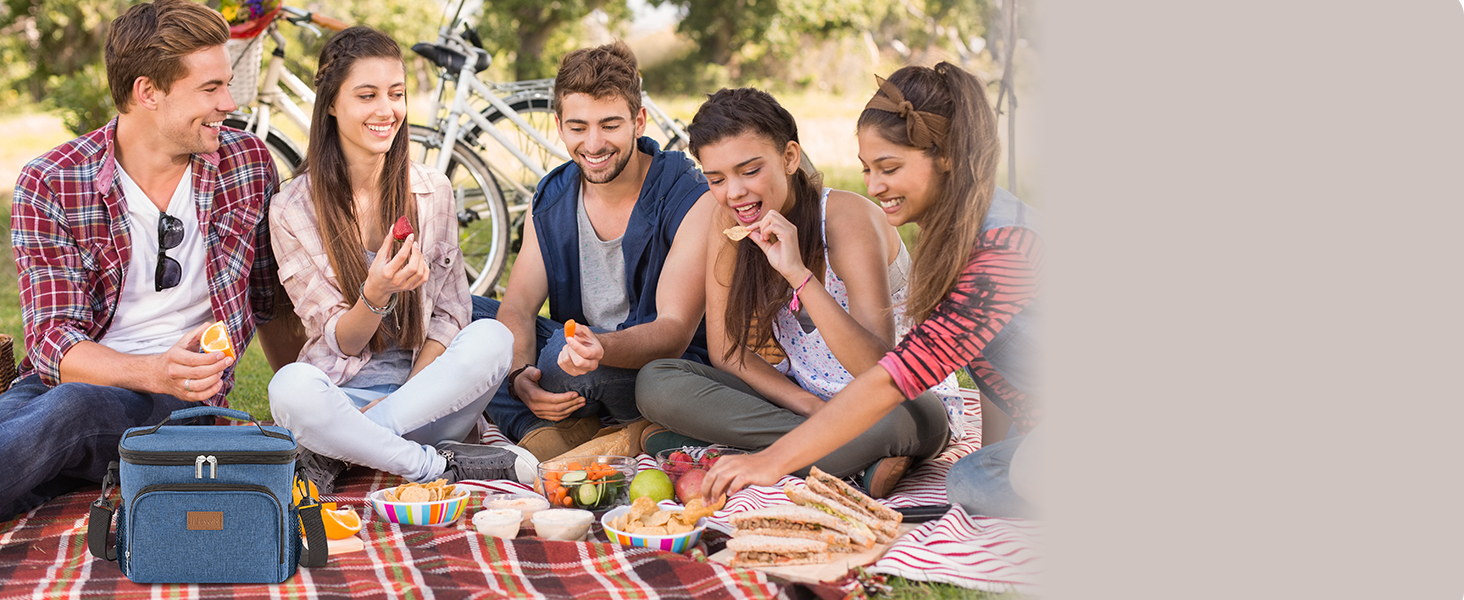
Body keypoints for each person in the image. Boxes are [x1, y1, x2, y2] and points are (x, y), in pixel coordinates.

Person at [0, 0, 298, 521]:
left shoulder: (246, 164)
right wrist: (150, 370)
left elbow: (273, 301)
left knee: (73, 411)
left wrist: (306, 408)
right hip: (59, 387)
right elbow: (52, 343)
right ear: (148, 92)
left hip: (181, 404)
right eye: (210, 89)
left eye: (227, 83)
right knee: (33, 428)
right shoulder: (51, 181)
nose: (230, 102)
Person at [703, 63, 1043, 518]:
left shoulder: (1003, 245)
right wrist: (992, 449)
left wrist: (773, 461)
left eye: (889, 168)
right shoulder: (959, 232)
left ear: (946, 156)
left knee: (994, 482)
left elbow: (896, 374)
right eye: (867, 169)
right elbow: (982, 362)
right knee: (971, 479)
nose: (873, 186)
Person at [635, 88, 961, 499]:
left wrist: (798, 275)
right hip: (807, 399)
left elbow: (877, 368)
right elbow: (727, 351)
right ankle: (843, 459)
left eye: (749, 171)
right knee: (657, 381)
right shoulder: (729, 225)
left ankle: (728, 452)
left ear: (789, 158)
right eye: (716, 179)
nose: (734, 192)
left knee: (901, 418)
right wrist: (808, 406)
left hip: (896, 399)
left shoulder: (846, 218)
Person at [267, 27, 532, 493]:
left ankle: (345, 451)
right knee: (288, 389)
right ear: (331, 104)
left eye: (396, 94)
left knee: (491, 336)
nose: (385, 110)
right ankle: (431, 466)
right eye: (366, 95)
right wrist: (376, 294)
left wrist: (403, 400)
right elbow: (342, 344)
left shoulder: (433, 190)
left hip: (426, 400)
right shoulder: (293, 208)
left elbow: (450, 317)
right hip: (340, 398)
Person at [472, 41, 714, 461]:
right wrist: (515, 376)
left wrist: (597, 349)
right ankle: (555, 431)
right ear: (559, 125)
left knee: (557, 362)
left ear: (639, 121)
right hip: (576, 352)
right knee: (461, 315)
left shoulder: (688, 194)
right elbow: (518, 308)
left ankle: (558, 427)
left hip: (651, 369)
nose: (594, 144)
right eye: (579, 127)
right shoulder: (550, 197)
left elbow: (674, 332)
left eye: (610, 125)